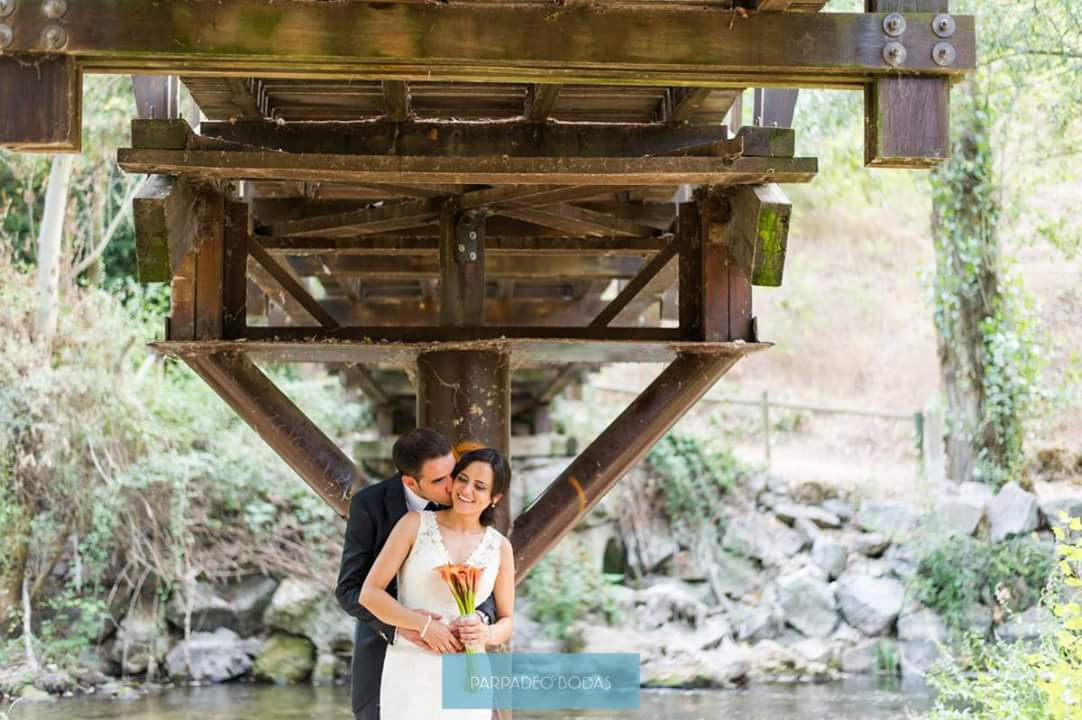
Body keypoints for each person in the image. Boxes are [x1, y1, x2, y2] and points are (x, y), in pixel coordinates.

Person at [336, 429, 499, 720]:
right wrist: (404, 627)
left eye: (454, 472)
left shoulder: (466, 500)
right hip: (386, 647)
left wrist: (481, 618)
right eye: (439, 480)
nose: (454, 487)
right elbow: (349, 590)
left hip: (458, 653)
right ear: (410, 482)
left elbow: (488, 568)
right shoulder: (368, 505)